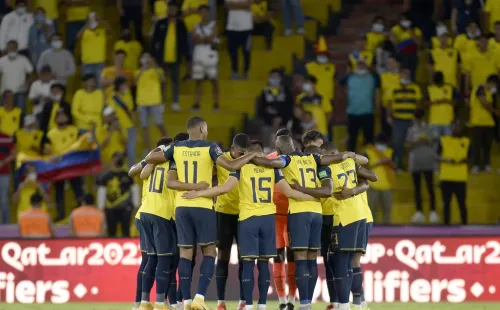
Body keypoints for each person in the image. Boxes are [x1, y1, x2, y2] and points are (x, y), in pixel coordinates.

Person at [182, 139, 316, 310]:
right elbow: (289, 191)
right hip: (268, 219)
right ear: (263, 154)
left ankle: (249, 306)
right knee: (263, 264)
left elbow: (223, 188)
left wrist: (199, 193)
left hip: (247, 220)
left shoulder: (241, 168)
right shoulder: (273, 168)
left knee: (247, 264)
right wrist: (314, 198)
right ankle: (262, 305)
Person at [144, 116, 259, 310]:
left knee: (185, 253)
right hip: (203, 206)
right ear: (202, 128)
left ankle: (186, 301)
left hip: (181, 206)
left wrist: (162, 151)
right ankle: (199, 298)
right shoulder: (210, 147)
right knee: (209, 252)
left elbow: (151, 162)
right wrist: (251, 154)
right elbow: (231, 166)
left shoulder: (176, 149)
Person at [251, 135, 368, 308]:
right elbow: (338, 164)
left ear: (280, 149)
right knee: (312, 259)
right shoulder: (314, 158)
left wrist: (250, 156)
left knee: (300, 259)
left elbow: (269, 164)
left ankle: (305, 304)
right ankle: (316, 301)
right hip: (317, 212)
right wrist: (348, 155)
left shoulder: (286, 159)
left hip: (298, 213)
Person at [138, 134, 211, 310]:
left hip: (146, 212)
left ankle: (144, 302)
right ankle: (161, 303)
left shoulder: (156, 161)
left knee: (152, 259)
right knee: (167, 260)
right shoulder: (176, 161)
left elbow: (141, 174)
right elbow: (173, 184)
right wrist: (197, 187)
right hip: (165, 214)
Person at [319, 142, 377, 310]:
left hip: (345, 216)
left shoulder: (328, 167)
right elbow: (372, 178)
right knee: (354, 261)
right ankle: (359, 301)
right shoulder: (350, 162)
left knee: (340, 261)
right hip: (363, 215)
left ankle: (343, 304)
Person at [213, 134, 251, 310]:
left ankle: (243, 301)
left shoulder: (251, 161)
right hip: (224, 214)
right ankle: (221, 302)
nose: (241, 155)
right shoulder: (222, 159)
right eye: (239, 152)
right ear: (232, 148)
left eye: (245, 152)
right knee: (223, 258)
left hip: (244, 214)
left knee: (245, 259)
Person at [267, 130, 296, 310]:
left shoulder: (298, 160)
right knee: (280, 258)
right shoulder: (269, 159)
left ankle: (289, 301)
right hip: (277, 215)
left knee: (291, 258)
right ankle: (284, 302)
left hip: (292, 214)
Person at [43, 110, 84, 221]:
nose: (61, 117)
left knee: (78, 188)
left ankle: (81, 212)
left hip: (73, 164)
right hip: (58, 166)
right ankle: (61, 214)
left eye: (63, 115)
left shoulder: (75, 130)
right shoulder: (50, 134)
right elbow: (47, 149)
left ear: (67, 117)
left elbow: (81, 145)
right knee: (59, 190)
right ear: (55, 119)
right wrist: (49, 153)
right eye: (58, 116)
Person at [151, 1, 190, 111]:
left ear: (177, 10)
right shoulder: (160, 23)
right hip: (162, 57)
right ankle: (161, 103)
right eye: (170, 8)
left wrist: (187, 57)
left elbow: (184, 42)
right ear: (167, 10)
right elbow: (154, 41)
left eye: (174, 8)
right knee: (162, 81)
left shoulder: (181, 24)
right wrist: (153, 55)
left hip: (176, 57)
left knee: (175, 81)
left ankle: (175, 102)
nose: (171, 10)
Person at [406, 110, 438, 224]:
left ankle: (433, 212)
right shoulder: (411, 130)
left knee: (430, 188)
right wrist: (417, 141)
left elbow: (435, 143)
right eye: (416, 119)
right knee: (417, 189)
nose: (418, 121)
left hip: (429, 163)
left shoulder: (430, 129)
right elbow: (408, 145)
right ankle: (419, 212)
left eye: (420, 119)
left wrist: (426, 140)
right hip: (415, 164)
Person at [340, 60, 380, 152]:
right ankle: (350, 161)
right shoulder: (349, 77)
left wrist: (377, 108)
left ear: (366, 66)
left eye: (363, 65)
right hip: (352, 113)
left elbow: (377, 93)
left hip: (368, 112)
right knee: (352, 139)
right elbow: (339, 86)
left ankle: (369, 160)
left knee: (369, 140)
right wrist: (345, 96)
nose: (361, 67)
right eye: (359, 65)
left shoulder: (373, 77)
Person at [387, 67, 422, 170]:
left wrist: (418, 118)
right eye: (403, 74)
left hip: (411, 120)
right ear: (400, 76)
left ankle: (414, 166)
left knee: (414, 143)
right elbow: (389, 103)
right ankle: (398, 166)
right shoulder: (394, 88)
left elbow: (419, 103)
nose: (405, 76)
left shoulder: (415, 88)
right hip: (398, 120)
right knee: (398, 143)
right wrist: (389, 116)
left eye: (407, 75)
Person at [97, 152, 139, 237]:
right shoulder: (106, 176)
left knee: (126, 232)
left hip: (125, 207)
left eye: (120, 158)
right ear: (112, 160)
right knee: (111, 232)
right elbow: (102, 192)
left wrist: (136, 204)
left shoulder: (128, 175)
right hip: (110, 208)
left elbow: (134, 189)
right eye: (116, 158)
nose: (118, 160)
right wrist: (100, 207)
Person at [438, 121, 469, 225]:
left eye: (458, 126)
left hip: (461, 178)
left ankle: (465, 225)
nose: (456, 128)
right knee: (446, 204)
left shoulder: (466, 141)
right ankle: (446, 226)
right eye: (454, 126)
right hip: (446, 177)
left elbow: (472, 158)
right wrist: (446, 160)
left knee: (462, 204)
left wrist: (464, 160)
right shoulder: (443, 140)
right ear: (450, 128)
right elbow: (436, 156)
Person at [135, 52, 167, 152]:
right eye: (144, 58)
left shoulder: (157, 70)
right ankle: (148, 148)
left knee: (159, 123)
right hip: (142, 102)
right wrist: (142, 68)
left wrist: (154, 66)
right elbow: (135, 82)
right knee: (144, 126)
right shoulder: (138, 72)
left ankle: (168, 143)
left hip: (155, 101)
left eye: (148, 58)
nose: (146, 60)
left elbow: (163, 79)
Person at [191, 4, 220, 112]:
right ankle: (197, 103)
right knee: (198, 81)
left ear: (209, 13)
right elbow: (194, 39)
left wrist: (202, 39)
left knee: (214, 80)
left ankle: (216, 103)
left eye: (206, 12)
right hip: (198, 53)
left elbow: (212, 37)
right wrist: (205, 39)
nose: (204, 14)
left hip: (210, 54)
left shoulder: (213, 24)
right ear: (199, 13)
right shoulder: (196, 25)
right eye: (202, 12)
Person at [305, 36, 335, 138]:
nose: (322, 57)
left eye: (324, 55)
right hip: (311, 96)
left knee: (326, 124)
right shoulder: (309, 66)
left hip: (327, 99)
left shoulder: (331, 67)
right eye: (320, 55)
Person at [469, 74, 499, 173]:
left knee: (487, 146)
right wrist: (494, 111)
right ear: (490, 82)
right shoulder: (479, 88)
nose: (494, 87)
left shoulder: (491, 93)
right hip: (477, 122)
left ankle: (486, 164)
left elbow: (490, 104)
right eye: (494, 85)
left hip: (489, 123)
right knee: (477, 145)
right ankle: (476, 165)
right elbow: (484, 102)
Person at [364, 133, 395, 224]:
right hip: (373, 185)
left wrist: (388, 162)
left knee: (387, 210)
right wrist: (378, 162)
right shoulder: (369, 151)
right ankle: (372, 232)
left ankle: (387, 233)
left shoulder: (390, 151)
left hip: (388, 186)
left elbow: (396, 167)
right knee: (372, 210)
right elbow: (363, 168)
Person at [77, 12, 112, 86]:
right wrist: (87, 23)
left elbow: (110, 31)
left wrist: (101, 20)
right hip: (87, 63)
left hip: (100, 63)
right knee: (88, 86)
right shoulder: (84, 32)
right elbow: (78, 36)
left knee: (100, 86)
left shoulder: (102, 31)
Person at [109, 77, 136, 168]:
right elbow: (111, 111)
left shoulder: (128, 95)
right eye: (123, 84)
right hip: (118, 128)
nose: (126, 86)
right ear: (118, 86)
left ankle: (131, 170)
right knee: (120, 151)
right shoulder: (112, 97)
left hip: (129, 126)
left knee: (131, 151)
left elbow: (130, 109)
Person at [0, 40, 34, 112]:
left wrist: (28, 84)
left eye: (14, 48)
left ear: (17, 49)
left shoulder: (24, 60)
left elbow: (31, 72)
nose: (12, 50)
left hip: (20, 92)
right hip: (5, 93)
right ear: (7, 49)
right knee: (4, 114)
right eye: (10, 48)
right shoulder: (2, 61)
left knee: (21, 113)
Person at [226, 0, 253, 80]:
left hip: (246, 27)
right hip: (232, 27)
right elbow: (228, 5)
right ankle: (235, 72)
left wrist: (235, 5)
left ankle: (245, 72)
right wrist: (242, 5)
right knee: (232, 51)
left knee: (246, 51)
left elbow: (249, 4)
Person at [391, 12, 422, 80]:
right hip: (401, 55)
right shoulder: (395, 29)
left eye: (406, 20)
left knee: (412, 75)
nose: (404, 22)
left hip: (413, 55)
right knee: (402, 74)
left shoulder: (416, 30)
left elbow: (419, 43)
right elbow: (394, 43)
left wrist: (412, 34)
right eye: (402, 20)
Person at [426, 71, 457, 138]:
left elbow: (456, 103)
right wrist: (436, 102)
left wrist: (446, 101)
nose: (438, 84)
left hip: (448, 122)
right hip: (434, 122)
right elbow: (425, 104)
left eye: (439, 83)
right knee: (434, 145)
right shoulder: (430, 89)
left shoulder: (451, 88)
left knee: (448, 144)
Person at [379, 54, 400, 136]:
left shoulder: (401, 76)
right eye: (388, 63)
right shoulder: (383, 77)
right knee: (386, 133)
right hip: (385, 108)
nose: (390, 65)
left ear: (397, 63)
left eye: (392, 62)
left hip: (398, 108)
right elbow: (380, 92)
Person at [0, 130, 14, 224]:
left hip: (4, 174)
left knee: (4, 199)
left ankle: (6, 225)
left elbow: (14, 154)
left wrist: (3, 162)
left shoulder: (6, 137)